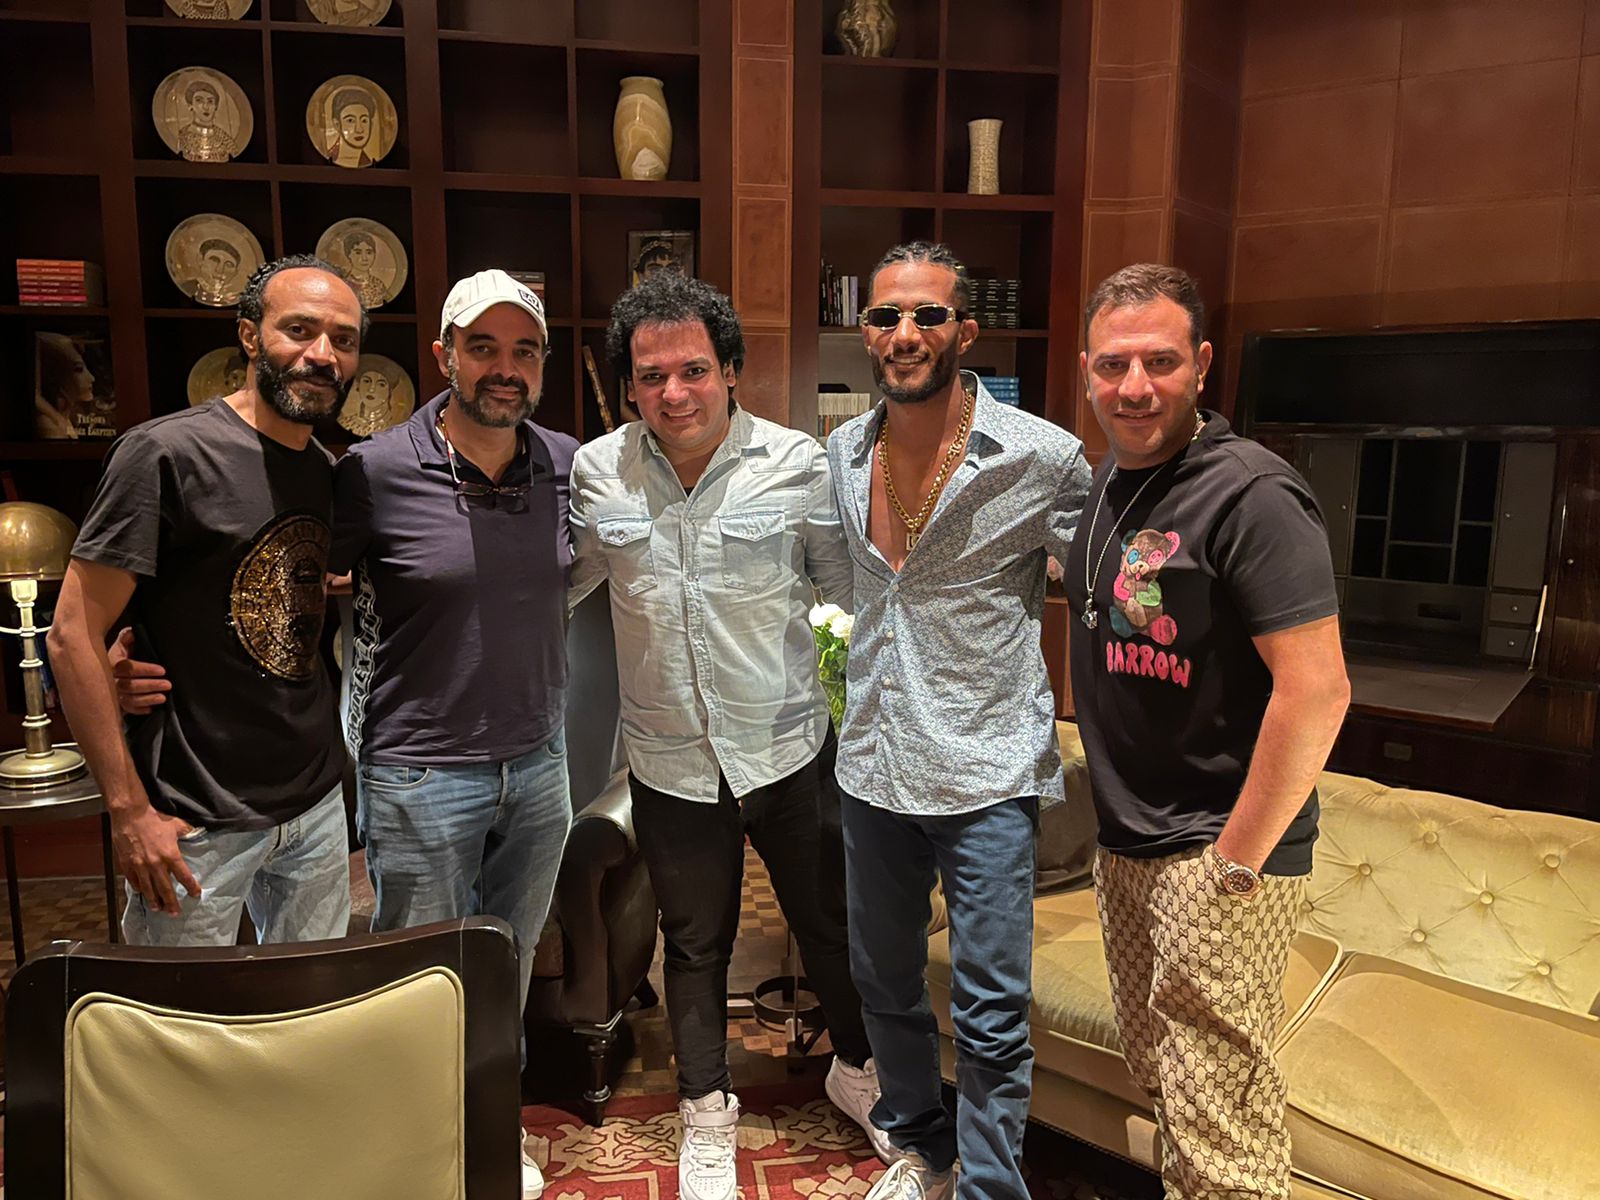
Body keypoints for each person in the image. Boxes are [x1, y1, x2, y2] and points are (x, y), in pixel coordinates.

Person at [568, 273, 888, 1200]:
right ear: (630, 385)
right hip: (669, 760)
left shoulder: (796, 463)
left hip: (789, 749)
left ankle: (858, 1071)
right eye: (652, 375)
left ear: (732, 371)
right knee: (694, 943)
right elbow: (553, 587)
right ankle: (706, 1110)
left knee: (830, 930)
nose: (674, 392)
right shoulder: (597, 472)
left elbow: (851, 591)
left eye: (694, 370)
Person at [1066, 264, 1350, 1200]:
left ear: (1202, 366)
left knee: (1220, 1117)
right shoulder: (1113, 479)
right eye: (1113, 364)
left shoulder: (1251, 494)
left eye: (1160, 361)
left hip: (1215, 851)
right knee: (1167, 1080)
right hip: (1129, 842)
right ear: (1085, 370)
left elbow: (1318, 690)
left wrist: (1233, 867)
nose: (1135, 386)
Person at [825, 241, 1092, 1200]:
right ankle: (920, 1149)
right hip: (873, 763)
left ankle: (989, 1187)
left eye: (928, 315)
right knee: (884, 983)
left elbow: (1107, 587)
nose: (905, 333)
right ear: (866, 332)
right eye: (886, 315)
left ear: (965, 331)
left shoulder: (1041, 457)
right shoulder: (841, 452)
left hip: (986, 772)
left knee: (989, 1009)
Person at [333, 269, 574, 1200]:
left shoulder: (566, 463)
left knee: (505, 966)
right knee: (420, 976)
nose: (504, 368)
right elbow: (292, 583)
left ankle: (488, 1127)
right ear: (444, 356)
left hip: (539, 763)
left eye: (524, 351)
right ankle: (415, 1149)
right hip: (419, 770)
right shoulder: (372, 471)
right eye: (483, 348)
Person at [47, 254, 362, 947]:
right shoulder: (163, 455)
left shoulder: (325, 471)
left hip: (313, 805)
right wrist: (128, 812)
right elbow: (71, 635)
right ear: (249, 336)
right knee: (177, 1011)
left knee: (310, 1002)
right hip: (194, 818)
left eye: (343, 339)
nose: (322, 354)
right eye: (300, 330)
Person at [178, 78, 235, 163]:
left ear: (216, 106)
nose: (206, 106)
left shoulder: (225, 140)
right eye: (199, 100)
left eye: (210, 101)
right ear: (190, 105)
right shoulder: (181, 137)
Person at [327, 86, 377, 168]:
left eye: (364, 120)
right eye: (350, 120)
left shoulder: (369, 161)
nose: (359, 129)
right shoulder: (329, 157)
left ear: (371, 123)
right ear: (337, 124)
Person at [190, 237, 242, 306]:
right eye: (214, 260)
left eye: (229, 265)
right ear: (200, 260)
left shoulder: (232, 299)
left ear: (235, 273)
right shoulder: (188, 289)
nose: (220, 270)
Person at [343, 231, 388, 308]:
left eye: (369, 252)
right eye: (358, 252)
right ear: (349, 254)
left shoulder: (379, 285)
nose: (364, 258)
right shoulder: (343, 283)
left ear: (374, 254)